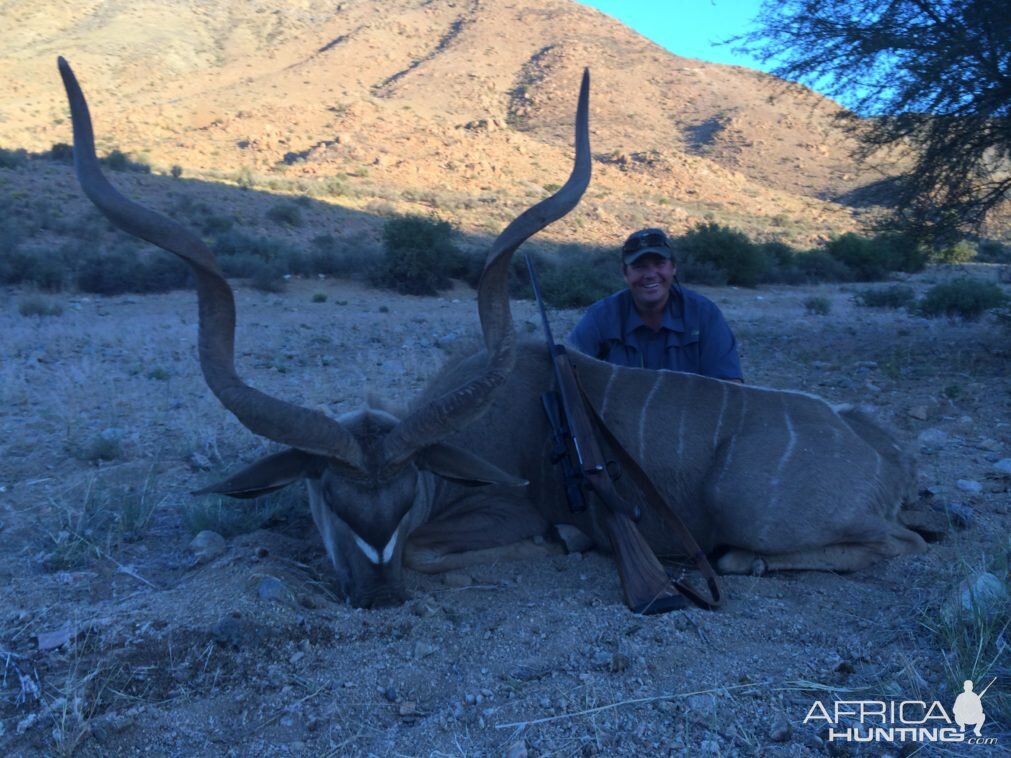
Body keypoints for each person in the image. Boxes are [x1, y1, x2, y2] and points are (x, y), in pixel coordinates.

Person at [568, 227, 743, 381]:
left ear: (673, 267)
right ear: (625, 273)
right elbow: (566, 370)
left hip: (689, 416)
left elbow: (730, 385)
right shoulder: (602, 315)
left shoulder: (704, 313)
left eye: (659, 263)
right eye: (639, 266)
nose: (651, 274)